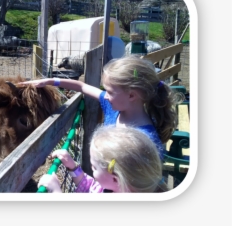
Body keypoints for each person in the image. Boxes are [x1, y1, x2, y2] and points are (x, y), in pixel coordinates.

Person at [19, 55, 182, 159]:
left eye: (109, 91)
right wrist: (49, 81)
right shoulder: (115, 106)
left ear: (131, 95)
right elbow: (82, 86)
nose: (105, 95)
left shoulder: (144, 142)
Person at [38, 125, 167, 193]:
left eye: (94, 167)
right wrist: (72, 167)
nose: (92, 170)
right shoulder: (112, 188)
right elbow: (90, 187)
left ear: (116, 179)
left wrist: (56, 193)